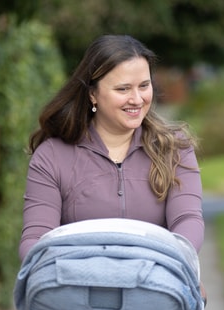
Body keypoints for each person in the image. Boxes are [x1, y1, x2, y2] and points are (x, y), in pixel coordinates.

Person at [18, 34, 204, 259]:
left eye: (144, 86)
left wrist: (174, 266)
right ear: (93, 94)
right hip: (76, 286)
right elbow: (36, 238)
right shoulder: (52, 156)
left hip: (155, 284)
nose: (137, 99)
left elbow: (187, 221)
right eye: (123, 89)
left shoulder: (174, 148)